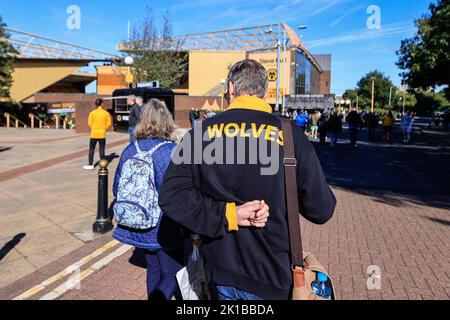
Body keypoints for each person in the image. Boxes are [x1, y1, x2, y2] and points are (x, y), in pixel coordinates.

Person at [159, 59, 336, 300]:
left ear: (231, 89)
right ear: (265, 92)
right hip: (273, 275)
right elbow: (321, 210)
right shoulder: (291, 135)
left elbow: (171, 196)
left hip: (220, 270)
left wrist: (228, 215)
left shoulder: (200, 133)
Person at [112, 99, 185, 300]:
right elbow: (180, 195)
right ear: (166, 120)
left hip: (140, 225)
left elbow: (117, 189)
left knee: (153, 269)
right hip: (166, 227)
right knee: (173, 273)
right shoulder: (172, 151)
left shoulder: (130, 150)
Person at [83, 99, 112, 170]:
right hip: (102, 133)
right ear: (102, 104)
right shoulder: (106, 113)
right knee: (101, 149)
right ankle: (103, 164)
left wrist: (94, 128)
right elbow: (109, 123)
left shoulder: (92, 113)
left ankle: (90, 164)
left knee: (91, 149)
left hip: (94, 134)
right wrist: (104, 128)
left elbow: (89, 123)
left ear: (95, 104)